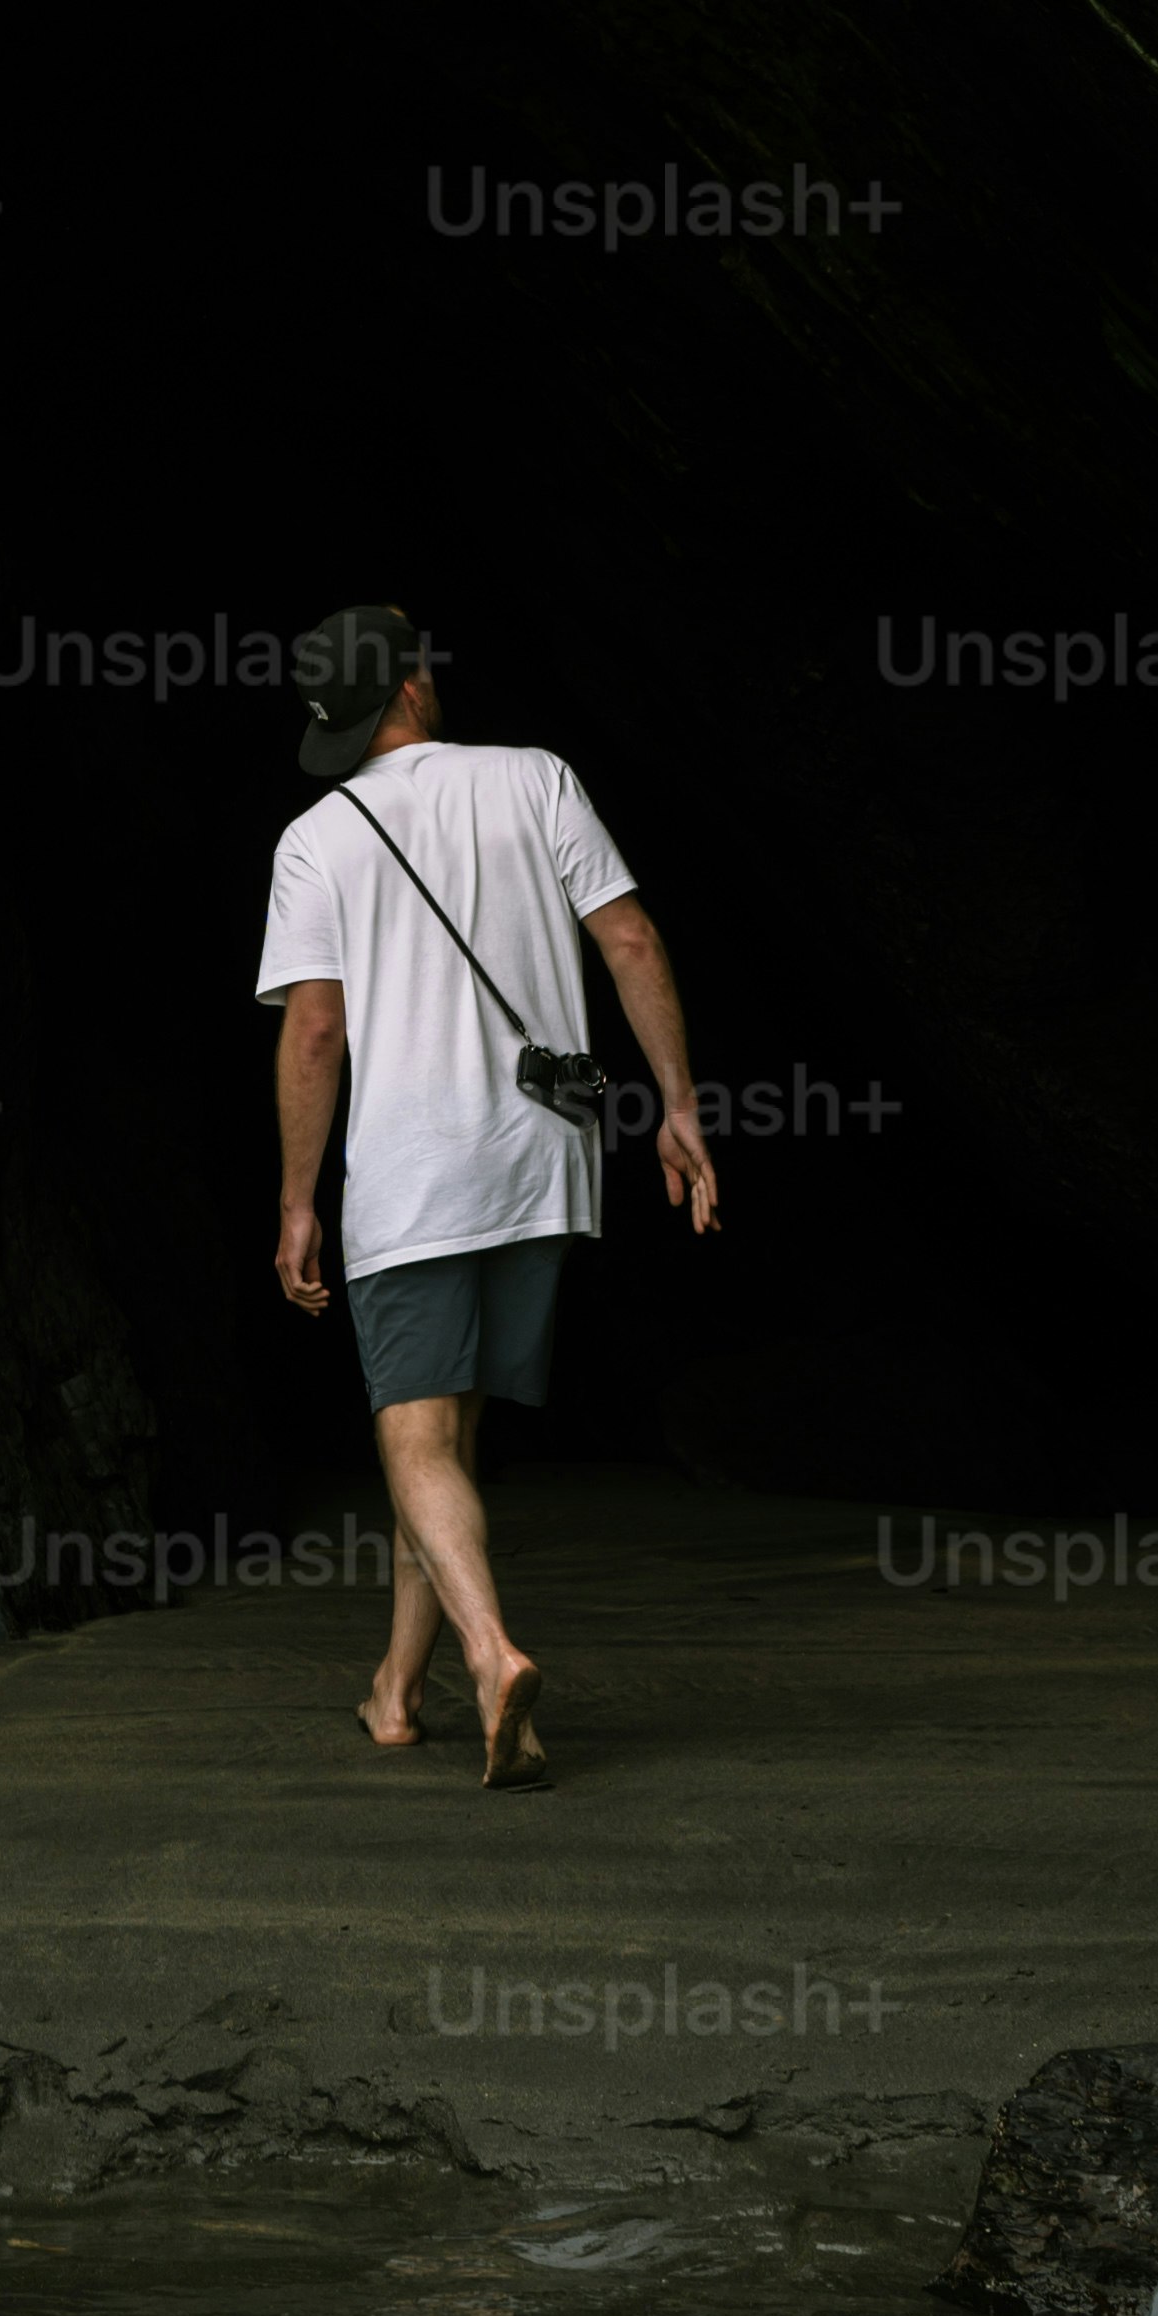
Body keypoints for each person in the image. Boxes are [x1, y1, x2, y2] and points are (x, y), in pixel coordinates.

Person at [257, 601, 717, 1785]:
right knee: (444, 1439)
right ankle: (394, 1694)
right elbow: (630, 942)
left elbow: (315, 1035)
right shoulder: (537, 779)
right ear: (411, 685)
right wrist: (677, 1107)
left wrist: (298, 1201)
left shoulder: (317, 837)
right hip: (541, 1163)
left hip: (412, 1177)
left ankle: (488, 1653)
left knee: (410, 1436)